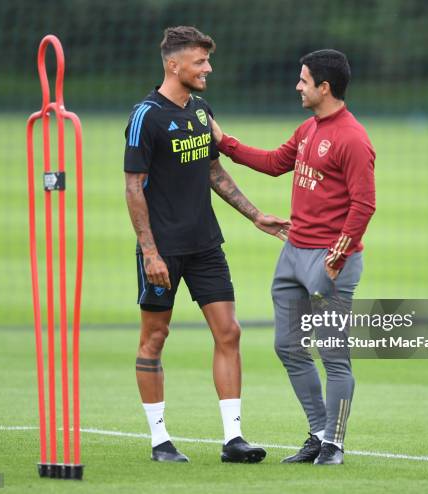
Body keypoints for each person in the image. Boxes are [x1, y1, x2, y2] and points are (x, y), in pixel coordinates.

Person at [124, 26, 288, 463]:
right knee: (155, 337)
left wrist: (255, 215)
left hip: (205, 245)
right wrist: (150, 252)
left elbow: (213, 171)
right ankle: (160, 441)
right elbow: (134, 188)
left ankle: (233, 439)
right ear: (173, 65)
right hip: (163, 250)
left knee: (229, 332)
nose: (208, 68)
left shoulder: (201, 109)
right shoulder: (145, 115)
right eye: (200, 62)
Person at [210, 49, 376, 465]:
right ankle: (319, 433)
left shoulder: (353, 138)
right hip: (292, 254)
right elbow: (272, 163)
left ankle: (334, 445)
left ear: (324, 87)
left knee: (334, 355)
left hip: (327, 261)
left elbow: (364, 204)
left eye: (303, 80)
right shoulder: (308, 130)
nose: (297, 86)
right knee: (289, 347)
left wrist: (336, 257)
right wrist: (224, 142)